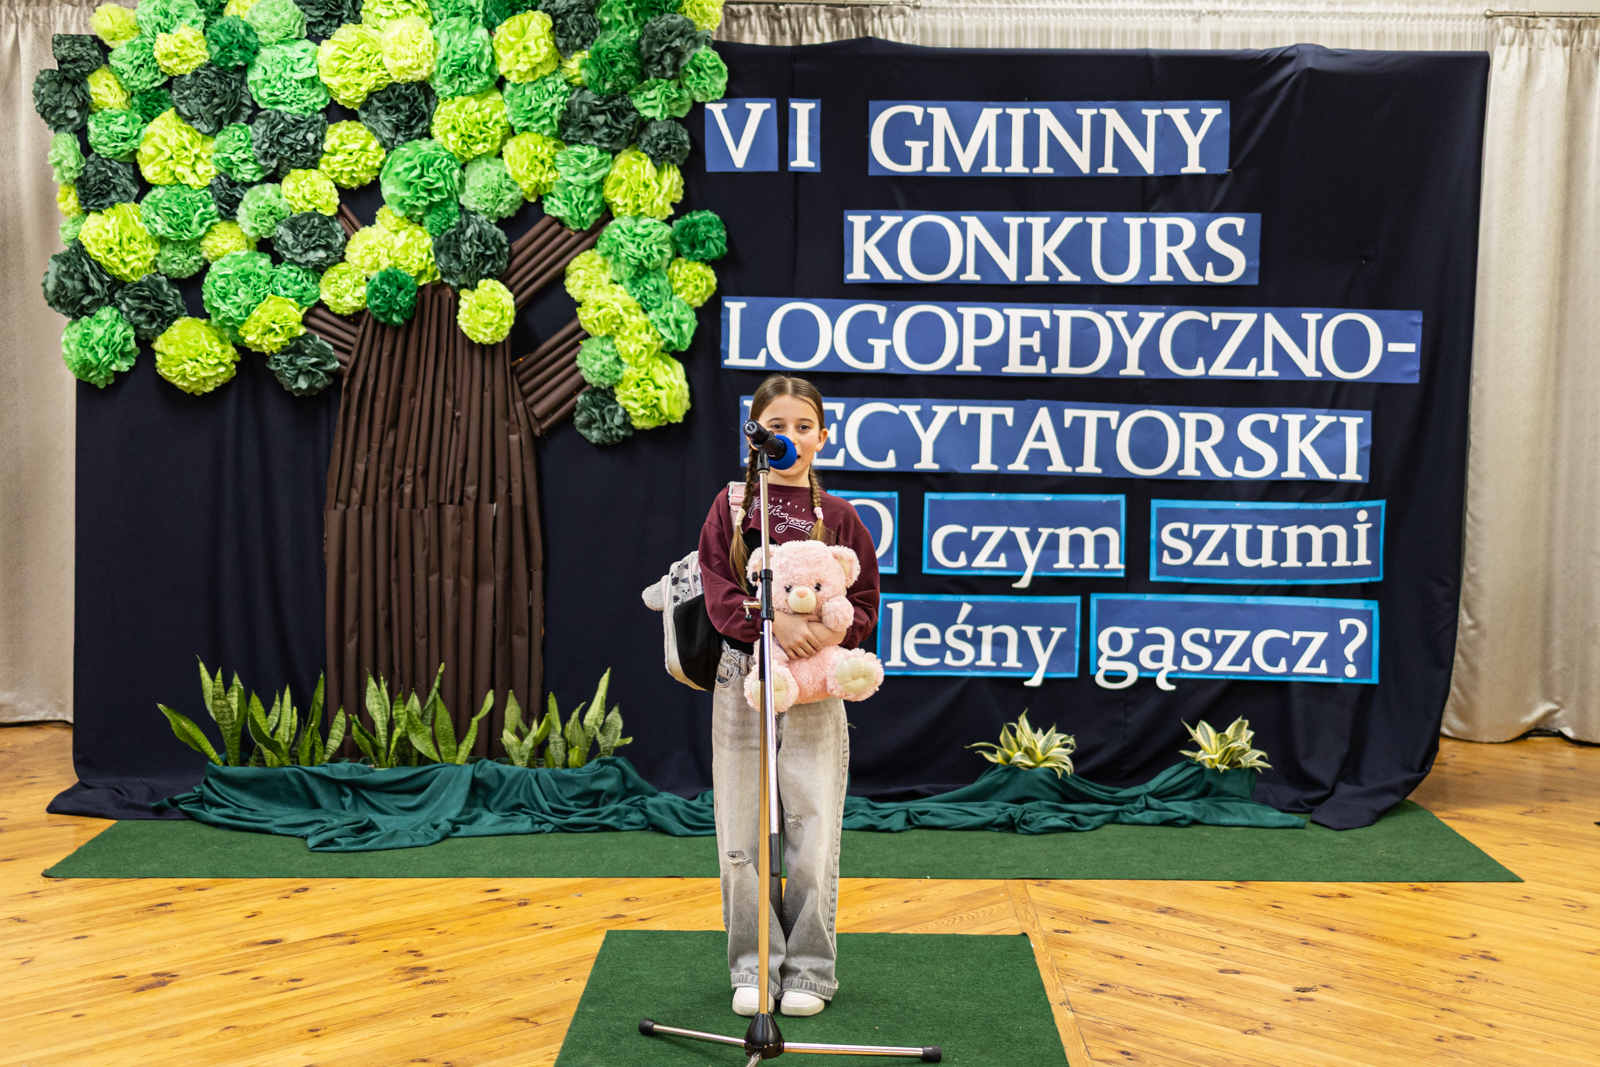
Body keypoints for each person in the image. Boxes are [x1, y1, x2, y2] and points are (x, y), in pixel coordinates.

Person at [697, 374, 881, 1019]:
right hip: (745, 680)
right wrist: (771, 628)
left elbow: (864, 604)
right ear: (755, 437)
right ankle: (753, 966)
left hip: (815, 687)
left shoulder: (842, 517)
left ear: (822, 437)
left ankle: (808, 971)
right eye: (776, 427)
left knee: (812, 827)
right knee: (742, 833)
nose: (791, 438)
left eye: (803, 427)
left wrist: (823, 633)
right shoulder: (731, 507)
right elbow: (718, 590)